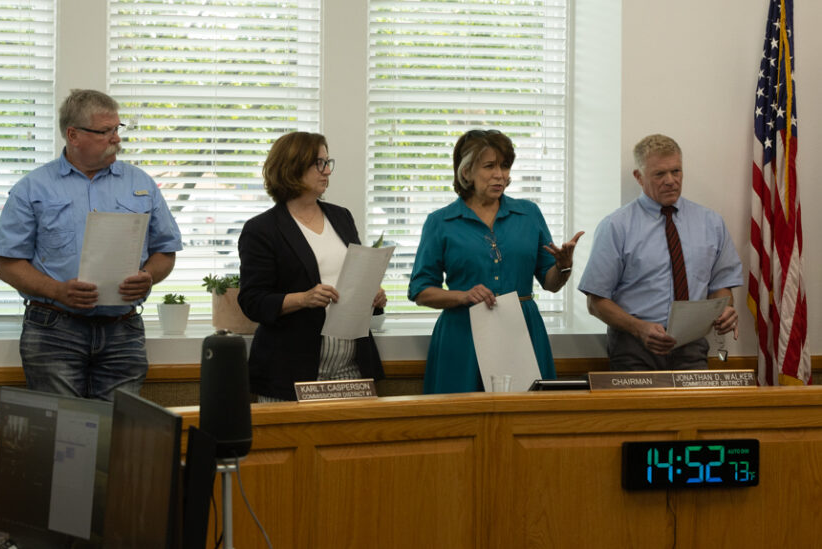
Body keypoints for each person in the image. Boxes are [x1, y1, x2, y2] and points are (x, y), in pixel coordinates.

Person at [0, 89, 182, 400]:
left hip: (123, 329)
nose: (116, 139)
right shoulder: (32, 187)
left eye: (117, 129)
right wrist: (57, 290)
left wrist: (148, 276)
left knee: (117, 434)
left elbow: (165, 251)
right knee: (61, 434)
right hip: (54, 330)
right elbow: (7, 264)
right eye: (105, 131)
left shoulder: (141, 184)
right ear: (73, 135)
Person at [408, 129, 584, 394]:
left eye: (504, 166)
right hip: (463, 335)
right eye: (489, 166)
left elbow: (551, 284)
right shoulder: (440, 222)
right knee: (462, 421)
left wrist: (563, 267)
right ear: (465, 172)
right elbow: (420, 292)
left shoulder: (529, 214)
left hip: (521, 331)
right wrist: (463, 296)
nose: (500, 174)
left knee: (525, 421)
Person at [237, 132, 385, 402]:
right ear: (292, 166)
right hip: (291, 368)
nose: (327, 170)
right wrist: (303, 299)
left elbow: (354, 277)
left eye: (328, 162)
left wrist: (373, 296)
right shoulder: (262, 229)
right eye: (319, 163)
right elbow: (252, 301)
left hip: (351, 366)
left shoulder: (341, 217)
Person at [577, 134, 743, 371]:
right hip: (634, 348)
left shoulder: (711, 223)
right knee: (641, 410)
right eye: (659, 174)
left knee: (693, 410)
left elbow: (721, 285)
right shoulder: (616, 226)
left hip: (691, 346)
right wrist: (639, 328)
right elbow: (596, 302)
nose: (670, 181)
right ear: (639, 177)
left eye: (676, 171)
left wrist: (724, 308)